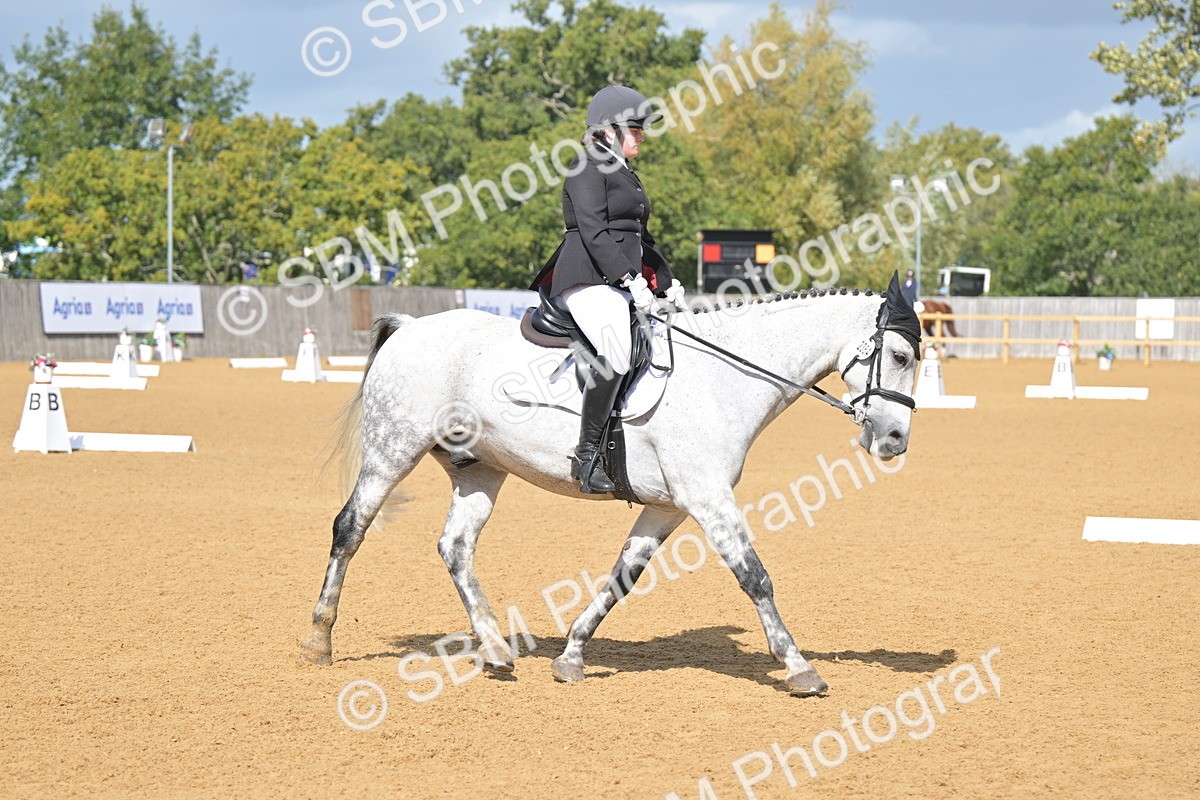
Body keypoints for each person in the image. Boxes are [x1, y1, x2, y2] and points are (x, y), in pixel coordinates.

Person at [530, 85, 686, 493]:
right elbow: (595, 232)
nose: (642, 135)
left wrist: (667, 283)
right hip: (584, 278)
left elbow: (640, 237)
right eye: (635, 128)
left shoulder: (624, 172)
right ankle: (586, 456)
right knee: (616, 350)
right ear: (609, 130)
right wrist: (630, 279)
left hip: (615, 280)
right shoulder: (586, 166)